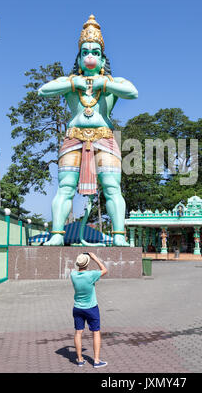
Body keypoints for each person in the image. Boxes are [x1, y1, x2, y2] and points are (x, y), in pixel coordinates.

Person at [38, 15, 138, 246]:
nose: (90, 56)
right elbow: (44, 90)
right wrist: (75, 84)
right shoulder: (71, 82)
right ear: (79, 58)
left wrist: (105, 84)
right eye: (85, 52)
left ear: (103, 60)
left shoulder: (113, 82)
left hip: (104, 137)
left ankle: (119, 237)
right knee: (65, 187)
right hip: (73, 137)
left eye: (95, 52)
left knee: (112, 187)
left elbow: (132, 92)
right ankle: (56, 234)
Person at [70, 251, 108, 368]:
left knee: (78, 332)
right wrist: (95, 258)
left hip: (77, 308)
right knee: (96, 332)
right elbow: (104, 270)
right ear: (87, 264)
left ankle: (80, 359)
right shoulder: (91, 275)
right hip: (91, 308)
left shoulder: (73, 275)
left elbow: (77, 268)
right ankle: (96, 361)